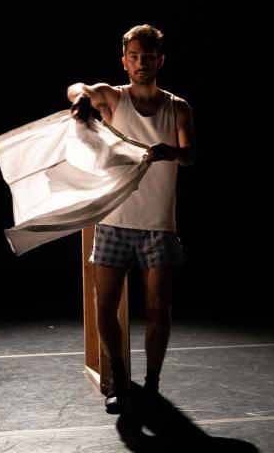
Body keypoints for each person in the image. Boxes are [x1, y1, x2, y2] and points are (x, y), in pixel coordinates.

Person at [67, 24, 197, 412]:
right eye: (135, 57)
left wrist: (171, 152)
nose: (142, 63)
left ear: (161, 60)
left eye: (149, 57)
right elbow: (79, 87)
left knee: (158, 308)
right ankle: (121, 381)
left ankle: (153, 385)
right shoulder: (113, 97)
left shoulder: (178, 105)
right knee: (105, 306)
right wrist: (82, 100)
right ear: (125, 61)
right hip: (114, 220)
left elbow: (190, 155)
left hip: (158, 223)